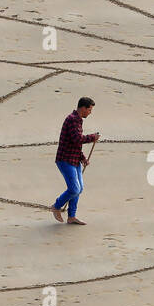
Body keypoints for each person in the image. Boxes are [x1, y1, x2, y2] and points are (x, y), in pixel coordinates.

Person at [51, 96, 99, 225]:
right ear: (83, 108)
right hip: (65, 159)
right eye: (90, 110)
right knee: (74, 189)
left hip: (74, 159)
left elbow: (75, 144)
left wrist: (82, 158)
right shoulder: (72, 120)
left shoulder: (77, 120)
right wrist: (92, 137)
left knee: (79, 188)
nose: (90, 112)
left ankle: (71, 216)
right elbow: (77, 139)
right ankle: (56, 206)